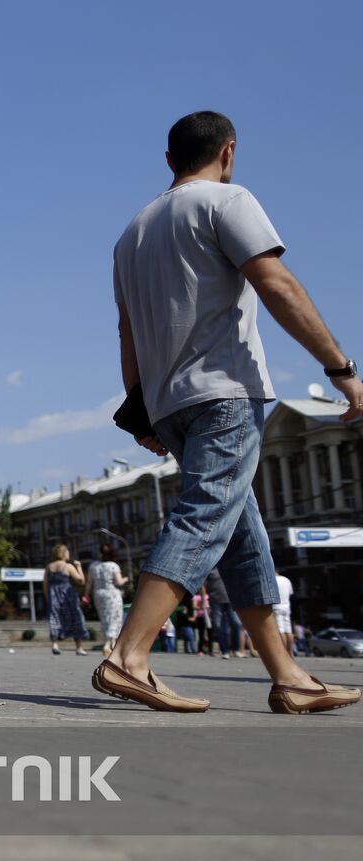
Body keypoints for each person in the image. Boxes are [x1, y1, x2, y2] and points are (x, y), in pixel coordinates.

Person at [98, 111, 362, 714]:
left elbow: (127, 331)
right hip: (223, 392)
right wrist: (342, 370)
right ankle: (127, 657)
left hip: (169, 404)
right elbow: (276, 284)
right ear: (229, 151)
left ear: (169, 160)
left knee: (241, 537)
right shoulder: (227, 200)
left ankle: (288, 676)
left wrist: (142, 412)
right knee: (204, 516)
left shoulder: (131, 234)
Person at [43, 544, 88, 656]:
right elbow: (81, 581)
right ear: (63, 554)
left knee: (55, 619)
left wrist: (48, 597)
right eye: (67, 552)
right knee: (76, 618)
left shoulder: (49, 567)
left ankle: (55, 644)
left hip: (53, 596)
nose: (69, 554)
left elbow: (45, 584)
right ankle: (79, 648)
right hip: (67, 596)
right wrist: (79, 567)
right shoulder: (68, 566)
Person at [87, 544, 128, 657]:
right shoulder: (113, 566)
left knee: (105, 619)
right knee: (115, 619)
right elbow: (118, 582)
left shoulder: (93, 566)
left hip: (98, 594)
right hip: (112, 594)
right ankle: (107, 645)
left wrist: (86, 595)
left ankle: (112, 645)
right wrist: (126, 579)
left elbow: (89, 583)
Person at [274, 571, 295, 655]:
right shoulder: (287, 580)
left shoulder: (273, 580)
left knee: (280, 631)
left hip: (276, 607)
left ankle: (284, 653)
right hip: (286, 607)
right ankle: (290, 652)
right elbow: (290, 594)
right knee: (288, 631)